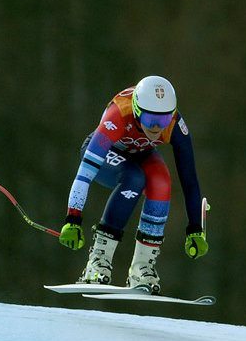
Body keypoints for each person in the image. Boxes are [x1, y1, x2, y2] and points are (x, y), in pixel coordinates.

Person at [58, 75, 208, 294]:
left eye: (163, 121)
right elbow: (85, 174)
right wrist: (73, 218)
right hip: (104, 154)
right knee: (135, 178)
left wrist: (195, 228)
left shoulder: (175, 124)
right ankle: (97, 263)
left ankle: (142, 268)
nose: (157, 128)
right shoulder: (119, 114)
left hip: (140, 154)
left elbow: (190, 179)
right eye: (149, 120)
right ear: (137, 110)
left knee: (162, 181)